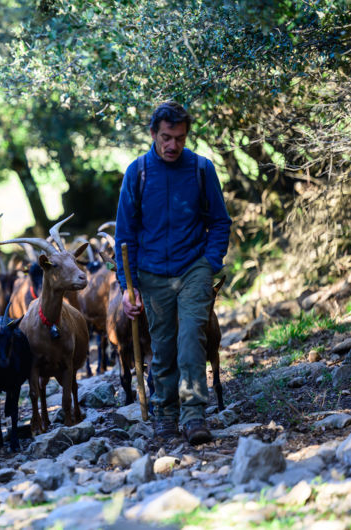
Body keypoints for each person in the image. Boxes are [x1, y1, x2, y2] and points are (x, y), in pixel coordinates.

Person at [114, 101, 232, 445]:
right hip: (151, 275)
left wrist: (210, 263)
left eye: (179, 138)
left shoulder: (201, 169)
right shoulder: (137, 173)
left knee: (191, 339)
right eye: (166, 137)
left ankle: (194, 415)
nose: (172, 145)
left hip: (194, 267)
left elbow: (220, 222)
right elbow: (125, 235)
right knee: (162, 347)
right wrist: (127, 286)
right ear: (153, 134)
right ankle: (166, 416)